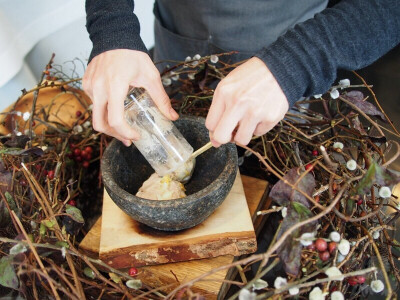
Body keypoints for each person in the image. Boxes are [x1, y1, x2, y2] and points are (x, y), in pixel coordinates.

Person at [82, 0, 399, 148]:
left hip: (285, 73)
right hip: (179, 42)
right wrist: (112, 26)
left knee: (274, 162)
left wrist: (297, 62)